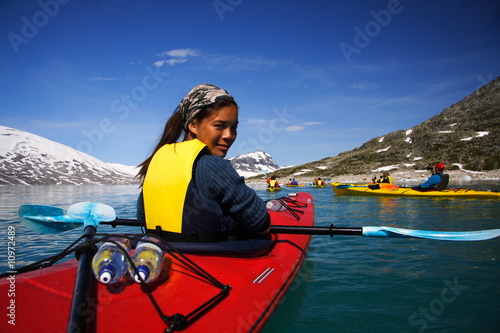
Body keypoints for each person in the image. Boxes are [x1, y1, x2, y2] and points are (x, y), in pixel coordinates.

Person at [136, 84, 270, 242]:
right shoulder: (213, 165)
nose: (229, 135)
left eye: (234, 127)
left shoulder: (155, 164)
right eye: (219, 126)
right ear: (193, 125)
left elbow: (142, 217)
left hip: (163, 256)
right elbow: (261, 223)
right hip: (209, 259)